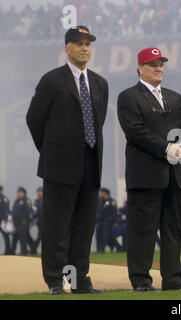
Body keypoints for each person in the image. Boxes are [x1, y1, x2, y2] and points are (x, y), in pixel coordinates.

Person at [26, 26, 108, 294]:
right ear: (67, 48)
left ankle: (78, 280)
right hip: (59, 165)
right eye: (79, 43)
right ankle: (54, 281)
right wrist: (51, 150)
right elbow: (34, 119)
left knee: (83, 228)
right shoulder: (52, 80)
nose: (85, 47)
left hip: (90, 163)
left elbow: (98, 122)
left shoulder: (99, 83)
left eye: (88, 43)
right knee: (57, 228)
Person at [117, 47, 181, 291]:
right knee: (143, 231)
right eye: (152, 64)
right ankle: (140, 280)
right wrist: (165, 148)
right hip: (145, 175)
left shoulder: (174, 97)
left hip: (173, 175)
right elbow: (135, 130)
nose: (158, 68)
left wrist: (180, 147)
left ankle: (173, 279)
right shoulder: (129, 97)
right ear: (140, 68)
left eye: (161, 64)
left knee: (173, 230)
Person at [10, 187, 33, 256]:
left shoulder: (26, 200)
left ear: (23, 193)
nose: (18, 194)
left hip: (23, 222)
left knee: (23, 238)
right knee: (15, 238)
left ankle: (24, 252)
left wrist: (30, 221)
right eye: (18, 192)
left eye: (19, 192)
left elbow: (29, 211)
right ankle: (12, 252)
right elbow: (14, 211)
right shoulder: (16, 201)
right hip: (16, 223)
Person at [95, 188, 118, 253]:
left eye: (100, 192)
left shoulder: (111, 201)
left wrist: (115, 221)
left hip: (107, 222)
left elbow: (114, 212)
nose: (99, 194)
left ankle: (102, 250)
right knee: (98, 236)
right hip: (99, 221)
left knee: (104, 236)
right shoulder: (100, 201)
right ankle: (98, 249)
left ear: (104, 193)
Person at [29, 186, 43, 254]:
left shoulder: (45, 200)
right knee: (40, 236)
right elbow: (35, 212)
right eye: (37, 192)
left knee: (40, 236)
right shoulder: (36, 201)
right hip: (39, 221)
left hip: (45, 221)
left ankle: (33, 249)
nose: (38, 193)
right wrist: (32, 220)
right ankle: (33, 249)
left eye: (40, 192)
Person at [0, 185, 12, 255]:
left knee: (5, 236)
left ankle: (8, 251)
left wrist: (5, 219)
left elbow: (5, 210)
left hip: (2, 221)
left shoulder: (4, 199)